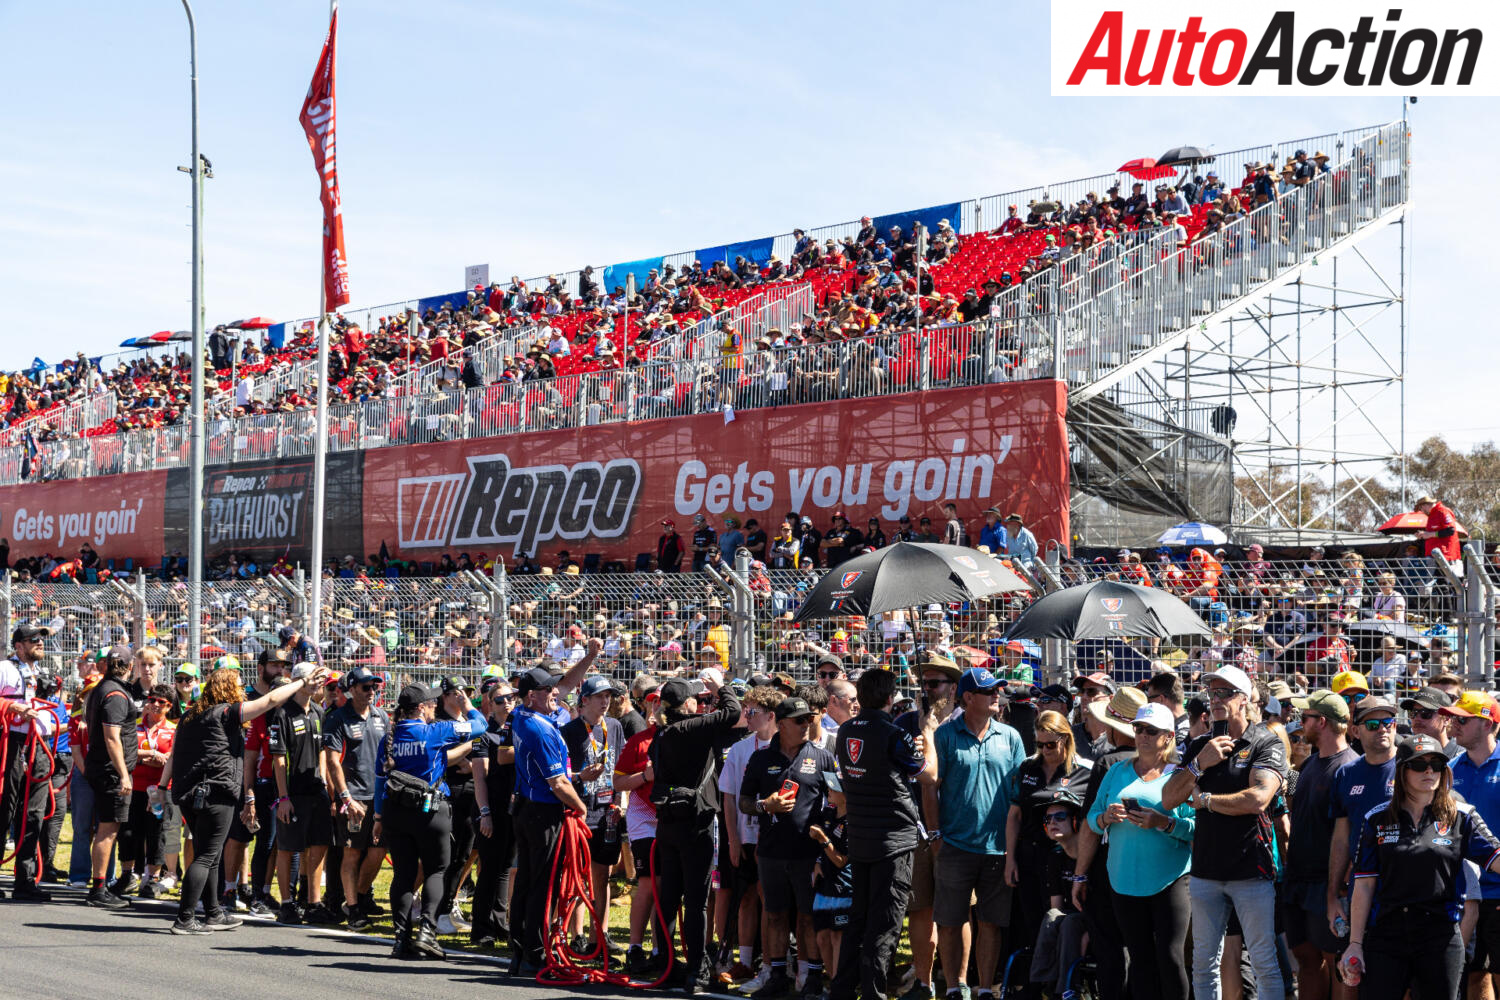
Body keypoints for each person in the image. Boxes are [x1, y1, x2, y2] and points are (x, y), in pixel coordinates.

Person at [156, 661, 329, 934]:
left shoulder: (191, 715)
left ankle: (212, 912)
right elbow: (271, 699)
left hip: (190, 794)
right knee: (206, 857)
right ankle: (185, 918)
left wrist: (163, 787)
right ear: (226, 690)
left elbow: (176, 752)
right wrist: (302, 683)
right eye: (237, 686)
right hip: (215, 792)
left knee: (209, 856)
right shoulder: (226, 712)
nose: (242, 691)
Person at [1162, 664, 1288, 1000]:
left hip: (1252, 871)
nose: (1216, 699)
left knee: (1264, 963)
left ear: (1244, 699)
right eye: (1212, 693)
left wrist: (1204, 801)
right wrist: (1198, 764)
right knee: (1204, 964)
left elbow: (1259, 799)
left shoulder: (1266, 741)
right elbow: (1168, 798)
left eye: (1225, 693)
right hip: (1205, 871)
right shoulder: (1201, 745)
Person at [1346, 735, 1500, 1000]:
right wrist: (1355, 944)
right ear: (1402, 771)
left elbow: (1497, 858)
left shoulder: (1461, 815)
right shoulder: (1377, 818)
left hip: (1439, 936)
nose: (1429, 770)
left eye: (1436, 764)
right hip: (1387, 935)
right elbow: (1364, 884)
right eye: (1419, 764)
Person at [829, 667, 935, 1000]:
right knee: (884, 927)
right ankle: (874, 995)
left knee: (858, 921)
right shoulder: (890, 733)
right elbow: (928, 774)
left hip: (861, 838)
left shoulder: (846, 730)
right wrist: (928, 733)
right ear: (890, 699)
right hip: (893, 842)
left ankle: (842, 991)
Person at [1082, 702, 1195, 1000]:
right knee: (1140, 960)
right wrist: (1105, 818)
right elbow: (1091, 820)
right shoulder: (1116, 770)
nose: (1142, 735)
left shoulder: (1180, 774)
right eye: (1138, 728)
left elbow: (1197, 828)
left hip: (1170, 880)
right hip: (1124, 881)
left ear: (1168, 736)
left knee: (1171, 958)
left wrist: (1165, 823)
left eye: (1151, 730)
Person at [926, 667, 1026, 1000]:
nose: (997, 694)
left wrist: (1013, 848)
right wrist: (935, 834)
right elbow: (930, 788)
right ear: (968, 697)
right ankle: (954, 987)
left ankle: (985, 989)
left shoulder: (1010, 737)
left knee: (991, 923)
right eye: (989, 690)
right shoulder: (944, 735)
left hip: (998, 848)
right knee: (951, 921)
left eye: (998, 689)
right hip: (953, 844)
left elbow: (1019, 793)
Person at [373, 682, 486, 960]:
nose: (435, 706)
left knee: (403, 874)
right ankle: (427, 932)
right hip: (430, 811)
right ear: (422, 708)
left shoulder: (389, 736)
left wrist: (377, 816)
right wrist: (468, 706)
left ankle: (401, 939)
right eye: (431, 703)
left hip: (394, 811)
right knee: (436, 870)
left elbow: (379, 782)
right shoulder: (435, 731)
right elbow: (480, 725)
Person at [509, 639, 600, 973]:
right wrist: (581, 807)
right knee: (541, 886)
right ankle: (534, 951)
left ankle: (519, 949)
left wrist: (589, 656)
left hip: (527, 806)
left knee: (527, 883)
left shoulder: (523, 713)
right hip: (543, 811)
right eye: (549, 691)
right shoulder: (540, 727)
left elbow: (566, 685)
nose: (557, 695)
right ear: (533, 694)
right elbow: (558, 784)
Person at [650, 672, 743, 994]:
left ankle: (665, 964)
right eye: (695, 697)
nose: (700, 701)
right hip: (695, 824)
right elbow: (732, 712)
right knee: (696, 901)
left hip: (668, 823)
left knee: (668, 897)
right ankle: (697, 971)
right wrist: (720, 686)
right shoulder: (690, 728)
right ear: (685, 704)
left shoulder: (661, 734)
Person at [740, 693, 838, 998]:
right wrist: (764, 805)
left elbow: (837, 800)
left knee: (809, 915)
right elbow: (743, 802)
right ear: (781, 724)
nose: (806, 725)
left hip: (808, 854)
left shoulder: (821, 756)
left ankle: (811, 977)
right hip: (771, 852)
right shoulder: (760, 758)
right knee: (774, 914)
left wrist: (824, 828)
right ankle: (778, 974)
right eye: (799, 721)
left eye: (809, 719)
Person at [1284, 690, 1359, 1000]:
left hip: (1329, 886)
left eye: (1305, 718)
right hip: (1299, 881)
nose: (1300, 725)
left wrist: (1339, 889)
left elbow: (1353, 837)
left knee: (1339, 962)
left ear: (1322, 722)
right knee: (1306, 958)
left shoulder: (1350, 768)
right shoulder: (1310, 763)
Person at [1005, 709, 1091, 965]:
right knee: (1032, 923)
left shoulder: (1085, 771)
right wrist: (1010, 859)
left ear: (1066, 739)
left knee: (1063, 922)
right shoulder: (1028, 767)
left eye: (1051, 744)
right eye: (1039, 744)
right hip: (1029, 856)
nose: (1045, 749)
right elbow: (1014, 816)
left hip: (1067, 860)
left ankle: (1064, 983)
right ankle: (1035, 983)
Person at [719, 685, 784, 985]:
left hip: (775, 839)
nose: (746, 715)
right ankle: (744, 962)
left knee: (771, 901)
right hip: (745, 837)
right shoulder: (741, 749)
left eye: (752, 711)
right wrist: (733, 839)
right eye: (746, 709)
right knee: (746, 899)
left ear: (771, 716)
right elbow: (729, 797)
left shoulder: (787, 746)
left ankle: (773, 965)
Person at [561, 674, 627, 953]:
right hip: (580, 812)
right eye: (599, 696)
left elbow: (621, 767)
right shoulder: (569, 731)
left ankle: (599, 935)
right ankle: (576, 934)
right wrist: (580, 776)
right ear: (584, 700)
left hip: (608, 811)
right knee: (578, 875)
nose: (605, 701)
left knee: (603, 875)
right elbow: (560, 775)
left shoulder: (614, 726)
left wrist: (622, 800)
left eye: (608, 696)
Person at [321, 665, 390, 929]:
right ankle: (352, 909)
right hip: (354, 798)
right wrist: (345, 797)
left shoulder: (381, 716)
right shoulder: (338, 718)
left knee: (378, 851)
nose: (372, 691)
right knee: (352, 853)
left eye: (374, 686)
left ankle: (357, 898)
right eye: (366, 687)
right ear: (351, 690)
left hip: (379, 797)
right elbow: (331, 761)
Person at [268, 662, 336, 924]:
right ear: (298, 680)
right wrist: (283, 798)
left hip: (315, 790)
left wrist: (325, 787)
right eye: (315, 678)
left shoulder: (318, 711)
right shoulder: (282, 714)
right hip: (292, 792)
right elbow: (278, 759)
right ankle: (286, 903)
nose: (320, 683)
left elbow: (321, 751)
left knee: (319, 845)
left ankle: (313, 902)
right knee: (289, 848)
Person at [1444, 689, 1500, 999]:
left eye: (1464, 720)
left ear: (1489, 724)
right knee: (1472, 974)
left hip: (1499, 889)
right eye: (1454, 718)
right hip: (1462, 893)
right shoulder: (1450, 769)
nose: (1455, 724)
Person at [1327, 697, 1398, 943]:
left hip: (1406, 884)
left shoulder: (1414, 767)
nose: (1382, 729)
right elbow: (1341, 838)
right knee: (1360, 966)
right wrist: (1333, 895)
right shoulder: (1346, 774)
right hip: (1363, 885)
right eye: (1373, 724)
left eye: (1388, 722)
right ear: (1355, 731)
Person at [0, 623, 53, 902]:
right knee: (3, 809)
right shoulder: (4, 669)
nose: (39, 643)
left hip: (39, 746)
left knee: (33, 813)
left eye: (41, 639)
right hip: (10, 744)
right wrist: (10, 706)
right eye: (33, 640)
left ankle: (25, 879)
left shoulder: (42, 672)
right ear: (18, 646)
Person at [85, 645, 137, 909]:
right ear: (129, 667)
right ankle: (98, 888)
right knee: (108, 829)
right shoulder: (115, 693)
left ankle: (101, 885)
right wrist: (124, 774)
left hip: (103, 768)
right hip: (110, 772)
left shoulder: (100, 689)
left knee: (107, 828)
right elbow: (111, 737)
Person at [434, 674, 486, 935]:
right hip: (449, 791)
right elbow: (443, 757)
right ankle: (438, 910)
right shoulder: (440, 722)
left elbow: (481, 737)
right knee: (449, 855)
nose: (462, 696)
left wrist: (472, 762)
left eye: (465, 691)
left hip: (470, 791)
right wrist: (466, 753)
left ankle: (445, 904)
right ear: (446, 695)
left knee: (463, 854)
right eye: (457, 692)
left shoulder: (466, 720)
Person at [469, 676, 516, 949]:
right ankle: (480, 928)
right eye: (500, 699)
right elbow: (479, 779)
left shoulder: (517, 729)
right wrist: (484, 813)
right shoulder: (482, 737)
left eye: (511, 698)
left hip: (511, 808)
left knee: (505, 868)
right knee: (489, 869)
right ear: (491, 704)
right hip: (490, 807)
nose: (507, 703)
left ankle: (500, 923)